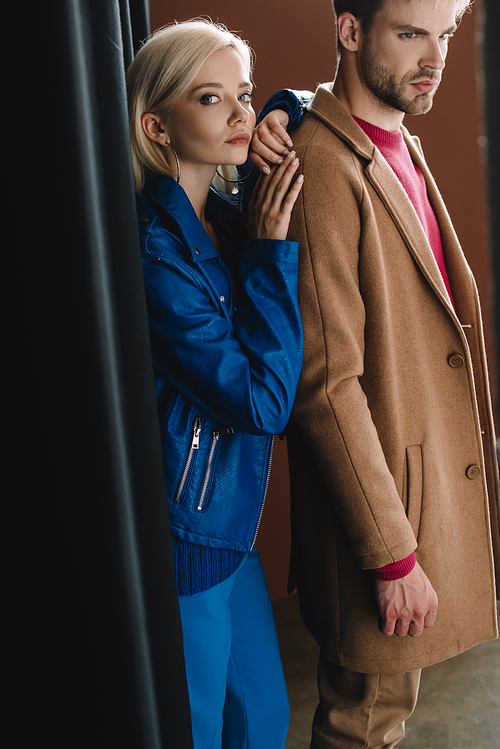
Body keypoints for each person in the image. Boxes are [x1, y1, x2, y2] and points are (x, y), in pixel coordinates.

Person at [250, 1, 499, 747]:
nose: (435, 57)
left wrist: (287, 102)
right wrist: (392, 554)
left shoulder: (394, 140)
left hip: (413, 493)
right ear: (351, 31)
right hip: (385, 510)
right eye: (412, 33)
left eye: (446, 34)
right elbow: (325, 386)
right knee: (364, 723)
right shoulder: (325, 165)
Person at [126, 20, 304, 749]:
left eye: (244, 95)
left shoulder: (222, 218)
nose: (238, 116)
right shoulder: (155, 251)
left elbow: (307, 103)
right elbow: (261, 401)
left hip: (231, 525)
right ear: (157, 126)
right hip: (190, 530)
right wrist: (270, 252)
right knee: (198, 729)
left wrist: (280, 108)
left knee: (263, 721)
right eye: (212, 99)